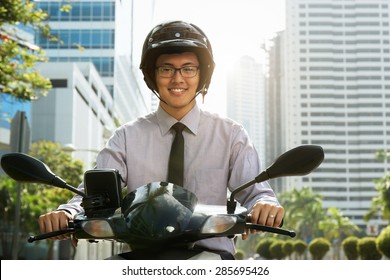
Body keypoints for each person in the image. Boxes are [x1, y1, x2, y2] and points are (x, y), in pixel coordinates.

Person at [38, 20, 284, 259]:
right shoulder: (126, 136)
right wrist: (67, 212)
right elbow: (92, 195)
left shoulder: (231, 134)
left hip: (212, 258)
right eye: (166, 69)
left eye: (188, 68)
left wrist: (264, 205)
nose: (178, 79)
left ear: (202, 75)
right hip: (141, 258)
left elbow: (255, 192)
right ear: (152, 76)